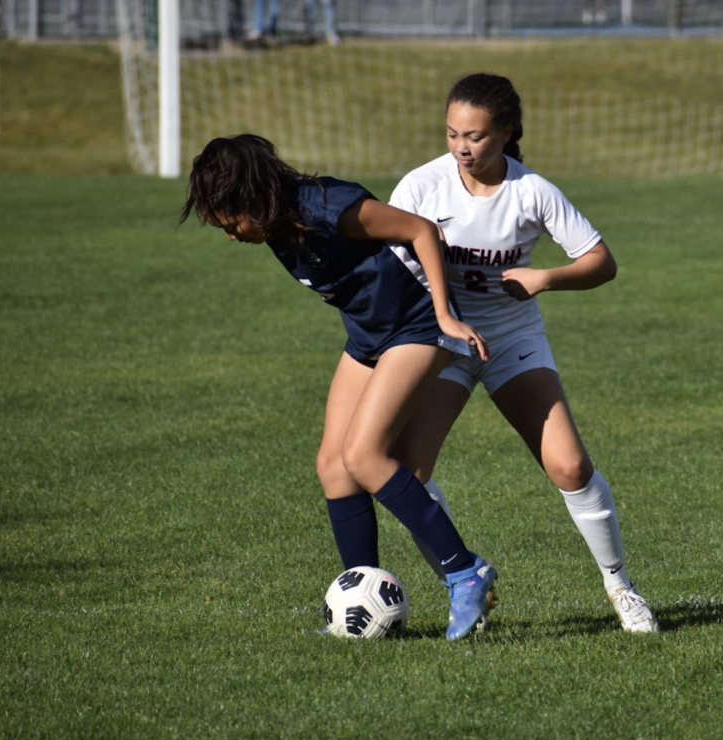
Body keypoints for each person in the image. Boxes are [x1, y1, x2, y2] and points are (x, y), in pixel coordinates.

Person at [178, 134, 498, 641]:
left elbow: (421, 230)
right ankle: (360, 592)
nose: (232, 235)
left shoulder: (329, 206)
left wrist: (442, 313)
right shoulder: (281, 225)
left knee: (365, 456)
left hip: (417, 325)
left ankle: (465, 571)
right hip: (370, 338)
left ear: (253, 197)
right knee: (333, 466)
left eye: (232, 221)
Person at [389, 73, 659, 633]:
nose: (462, 147)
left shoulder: (533, 191)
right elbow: (387, 265)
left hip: (512, 339)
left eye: (477, 136)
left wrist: (544, 278)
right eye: (452, 133)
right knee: (410, 472)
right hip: (442, 341)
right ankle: (464, 582)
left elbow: (601, 262)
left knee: (570, 465)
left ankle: (621, 587)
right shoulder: (421, 187)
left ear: (507, 133)